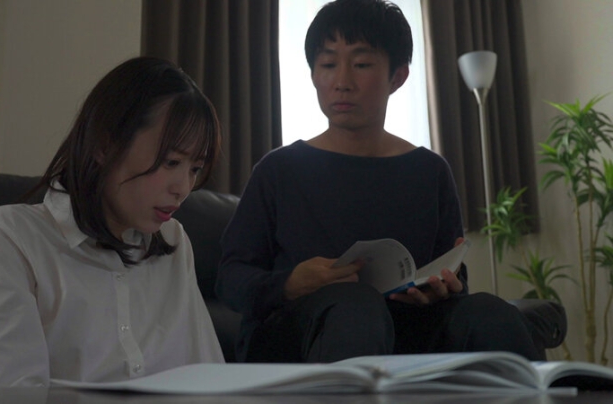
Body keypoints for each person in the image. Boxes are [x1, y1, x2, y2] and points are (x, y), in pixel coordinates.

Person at [215, 0, 540, 364]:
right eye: (328, 65)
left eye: (361, 64)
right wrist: (289, 283)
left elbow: (451, 275)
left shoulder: (430, 171)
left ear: (397, 77)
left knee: (490, 312)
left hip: (408, 329)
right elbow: (230, 279)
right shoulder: (278, 170)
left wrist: (446, 288)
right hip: (299, 337)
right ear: (313, 74)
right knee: (355, 305)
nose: (342, 83)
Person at [0, 56, 225, 387]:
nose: (183, 188)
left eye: (194, 169)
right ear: (105, 144)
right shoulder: (8, 239)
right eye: (171, 162)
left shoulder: (173, 240)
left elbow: (209, 378)